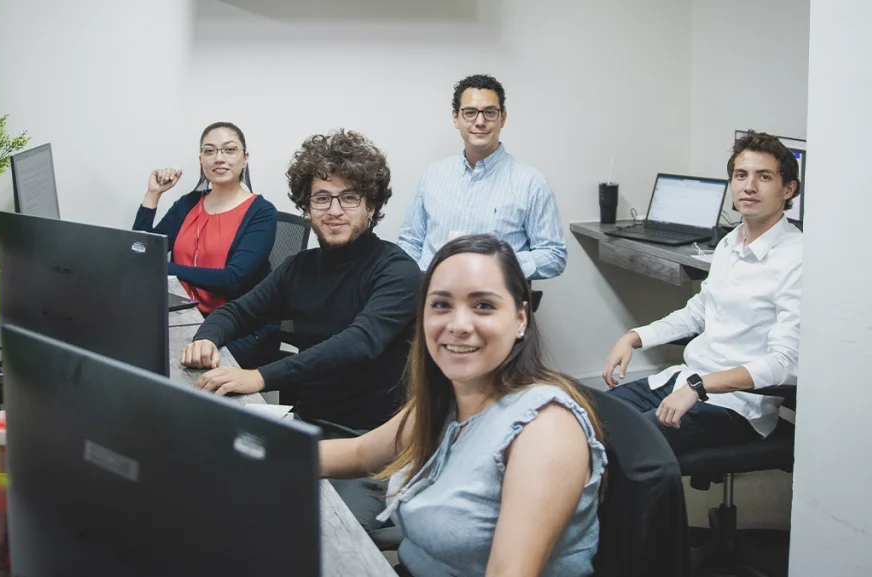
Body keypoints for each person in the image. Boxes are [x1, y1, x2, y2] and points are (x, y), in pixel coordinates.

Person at [321, 234, 606, 577]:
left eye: (483, 305)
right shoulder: (450, 398)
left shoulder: (545, 429)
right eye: (441, 304)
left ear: (520, 318)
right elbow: (359, 453)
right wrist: (258, 453)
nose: (458, 325)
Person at [180, 129, 422, 529]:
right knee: (215, 501)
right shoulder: (299, 267)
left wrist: (259, 376)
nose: (334, 210)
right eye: (322, 198)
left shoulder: (397, 272)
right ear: (307, 208)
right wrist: (206, 337)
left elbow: (357, 344)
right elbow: (239, 312)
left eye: (350, 198)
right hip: (305, 430)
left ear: (372, 207)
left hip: (372, 447)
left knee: (326, 535)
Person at [603, 130, 803, 454]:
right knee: (584, 419)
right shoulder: (730, 242)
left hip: (737, 405)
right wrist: (635, 337)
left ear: (788, 188)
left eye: (764, 177)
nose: (749, 186)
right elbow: (699, 311)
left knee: (621, 444)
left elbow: (785, 364)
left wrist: (700, 386)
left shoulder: (796, 259)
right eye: (741, 175)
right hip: (687, 379)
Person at [133, 121, 279, 368]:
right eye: (210, 151)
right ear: (201, 159)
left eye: (229, 150)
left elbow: (233, 277)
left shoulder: (262, 213)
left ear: (245, 158)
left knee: (183, 373)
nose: (218, 158)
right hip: (186, 317)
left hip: (240, 328)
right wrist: (153, 194)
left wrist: (160, 267)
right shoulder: (188, 203)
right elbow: (139, 252)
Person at [397, 74, 567, 280]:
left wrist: (495, 264)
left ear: (502, 117)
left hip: (495, 299)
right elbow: (410, 242)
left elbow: (554, 255)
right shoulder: (432, 176)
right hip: (434, 297)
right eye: (469, 112)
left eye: (489, 112)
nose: (480, 121)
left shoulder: (531, 183)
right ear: (455, 117)